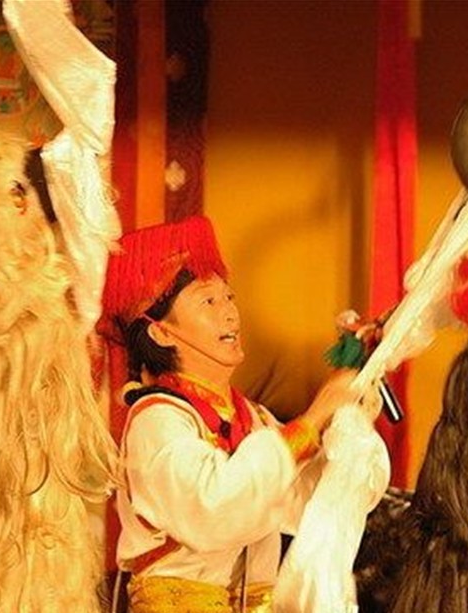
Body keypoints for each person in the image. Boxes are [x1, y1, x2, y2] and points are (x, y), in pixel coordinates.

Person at [99, 215, 364, 613]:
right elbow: (216, 506)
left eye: (229, 297)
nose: (230, 314)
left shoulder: (252, 418)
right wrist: (314, 416)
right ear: (160, 331)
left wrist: (349, 404)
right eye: (208, 301)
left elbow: (308, 499)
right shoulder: (157, 420)